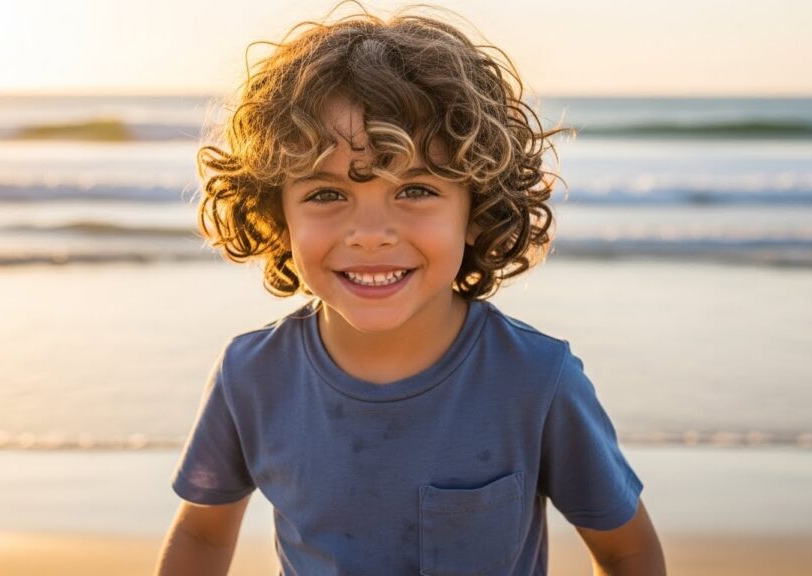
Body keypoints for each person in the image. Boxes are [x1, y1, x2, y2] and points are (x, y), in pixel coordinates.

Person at [156, 3, 665, 575]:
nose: (371, 235)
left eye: (416, 189)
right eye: (327, 195)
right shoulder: (251, 376)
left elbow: (627, 550)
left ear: (477, 208)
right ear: (279, 216)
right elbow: (201, 537)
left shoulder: (537, 381)